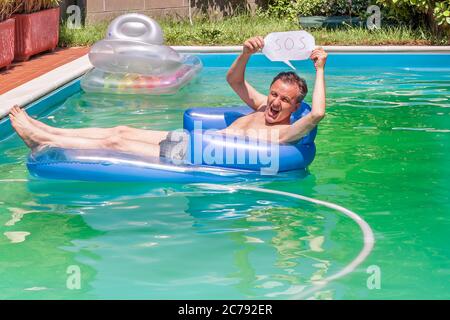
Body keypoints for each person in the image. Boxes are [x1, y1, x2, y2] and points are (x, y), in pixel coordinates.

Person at [9, 36, 327, 162]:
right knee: (119, 130)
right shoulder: (262, 107)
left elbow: (318, 115)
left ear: (295, 106)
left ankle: (41, 140)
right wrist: (245, 53)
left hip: (194, 155)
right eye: (273, 94)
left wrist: (320, 69)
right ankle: (46, 132)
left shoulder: (286, 132)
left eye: (284, 100)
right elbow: (234, 80)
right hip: (191, 140)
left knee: (116, 144)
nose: (274, 102)